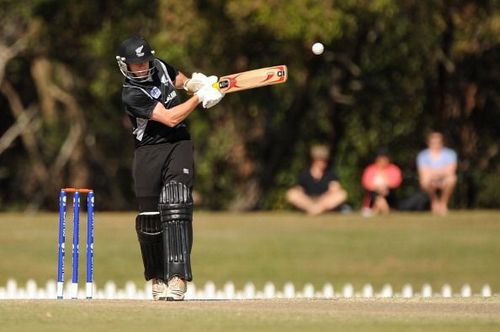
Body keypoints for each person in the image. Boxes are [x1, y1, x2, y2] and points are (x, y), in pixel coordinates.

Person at [116, 36, 224, 301]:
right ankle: (157, 277)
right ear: (125, 66)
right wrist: (200, 97)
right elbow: (171, 118)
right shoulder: (130, 93)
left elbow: (176, 78)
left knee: (177, 202)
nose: (142, 68)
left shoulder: (159, 66)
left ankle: (178, 278)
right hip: (148, 151)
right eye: (136, 64)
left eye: (145, 62)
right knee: (150, 217)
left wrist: (192, 83)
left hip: (178, 145)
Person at [286, 145, 347, 216]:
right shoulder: (304, 174)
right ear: (314, 160)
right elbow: (300, 189)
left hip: (324, 201)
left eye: (324, 160)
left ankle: (315, 210)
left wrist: (323, 199)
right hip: (308, 200)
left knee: (342, 194)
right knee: (291, 193)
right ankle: (313, 209)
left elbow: (335, 189)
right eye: (320, 160)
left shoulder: (330, 174)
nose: (323, 163)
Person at [417, 131, 457, 215]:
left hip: (444, 180)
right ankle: (434, 202)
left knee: (452, 179)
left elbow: (451, 171)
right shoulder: (422, 155)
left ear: (442, 142)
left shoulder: (450, 154)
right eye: (433, 142)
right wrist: (441, 171)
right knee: (425, 180)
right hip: (430, 180)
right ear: (428, 143)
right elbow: (423, 173)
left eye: (438, 142)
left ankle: (443, 204)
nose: (436, 144)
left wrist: (433, 172)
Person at [361, 149, 402, 215]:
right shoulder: (370, 169)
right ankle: (382, 208)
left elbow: (397, 182)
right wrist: (378, 188)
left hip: (388, 194)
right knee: (377, 196)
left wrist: (385, 187)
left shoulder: (393, 169)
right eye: (381, 159)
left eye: (385, 158)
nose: (383, 161)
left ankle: (376, 210)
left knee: (382, 195)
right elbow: (366, 183)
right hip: (374, 194)